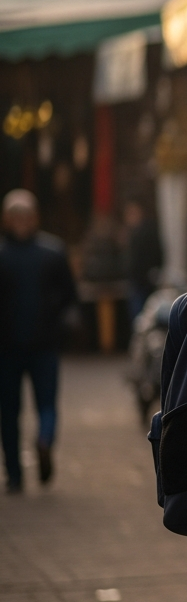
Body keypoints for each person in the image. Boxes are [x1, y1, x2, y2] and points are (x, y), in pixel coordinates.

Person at [0, 189, 78, 492]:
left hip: (24, 347)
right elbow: (71, 298)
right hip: (28, 346)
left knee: (13, 411)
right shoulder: (53, 251)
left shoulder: (47, 253)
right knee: (34, 406)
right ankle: (40, 444)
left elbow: (69, 297)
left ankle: (18, 471)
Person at [123, 199, 163, 321]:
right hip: (143, 282)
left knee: (140, 319)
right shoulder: (140, 231)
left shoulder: (142, 233)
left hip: (141, 284)